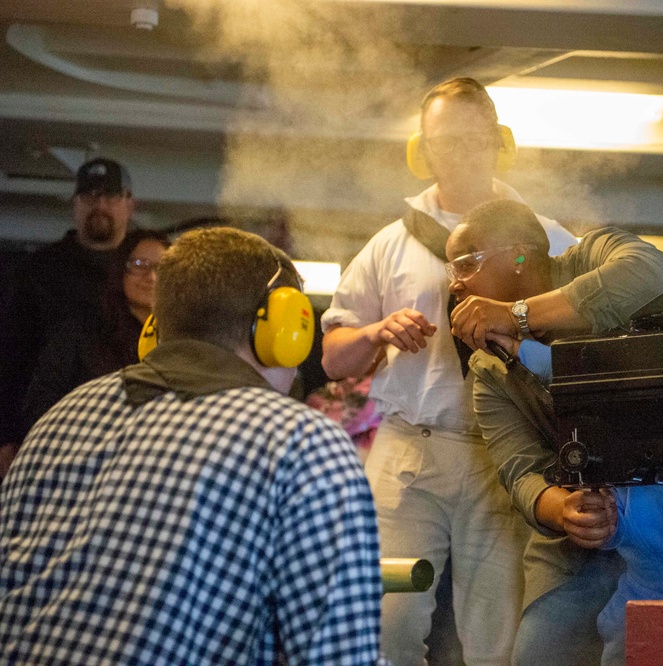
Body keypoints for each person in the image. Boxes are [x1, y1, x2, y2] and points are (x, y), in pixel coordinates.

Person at [0, 227, 384, 665]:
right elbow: (340, 656)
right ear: (283, 329)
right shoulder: (301, 441)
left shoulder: (65, 415)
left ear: (156, 327)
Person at [320, 77, 577, 666]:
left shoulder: (547, 239)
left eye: (471, 139)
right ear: (422, 149)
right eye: (443, 141)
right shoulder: (390, 244)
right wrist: (376, 332)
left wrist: (523, 319)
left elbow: (597, 330)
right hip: (409, 448)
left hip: (505, 455)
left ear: (498, 142)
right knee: (380, 619)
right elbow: (334, 357)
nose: (458, 153)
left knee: (499, 633)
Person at [447, 199, 663, 666]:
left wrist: (517, 316)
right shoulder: (488, 372)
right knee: (537, 655)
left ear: (519, 255)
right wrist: (565, 510)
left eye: (466, 262)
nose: (455, 281)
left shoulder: (597, 253)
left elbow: (647, 274)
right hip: (578, 546)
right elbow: (521, 472)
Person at [0, 157, 138, 470]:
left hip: (132, 432)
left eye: (110, 196)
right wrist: (5, 437)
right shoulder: (38, 271)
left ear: (130, 203)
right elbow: (10, 356)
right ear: (74, 204)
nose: (99, 204)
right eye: (89, 196)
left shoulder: (150, 272)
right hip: (46, 433)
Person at [21, 229, 171, 429]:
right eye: (138, 265)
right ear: (120, 270)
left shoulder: (183, 336)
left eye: (161, 268)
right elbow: (43, 399)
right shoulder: (83, 331)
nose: (151, 277)